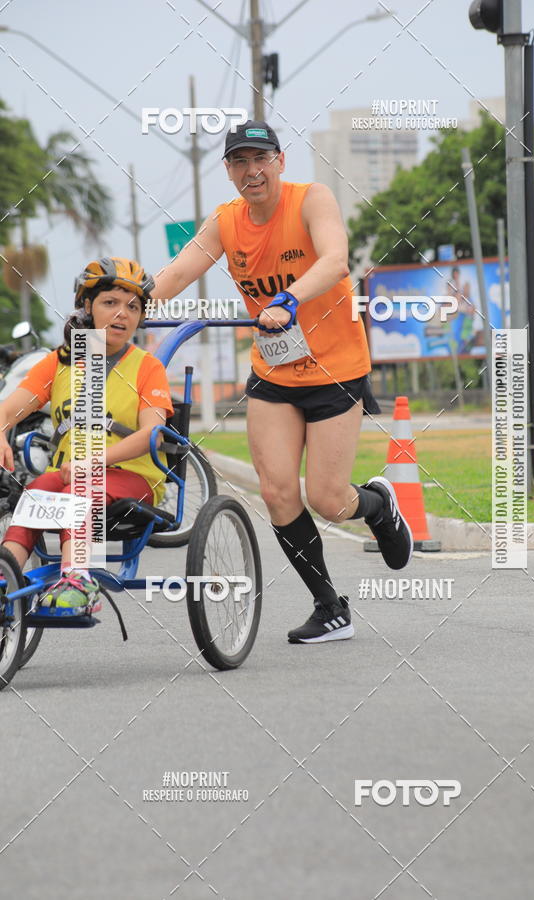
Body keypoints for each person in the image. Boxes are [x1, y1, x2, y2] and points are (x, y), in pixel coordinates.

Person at [152, 120, 412, 644]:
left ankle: (380, 505)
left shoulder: (311, 200)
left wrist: (288, 299)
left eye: (261, 159)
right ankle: (330, 607)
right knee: (276, 493)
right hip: (274, 371)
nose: (252, 171)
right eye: (240, 162)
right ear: (228, 171)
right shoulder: (226, 222)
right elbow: (177, 274)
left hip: (335, 368)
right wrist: (119, 303)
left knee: (328, 498)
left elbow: (336, 261)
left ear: (280, 161)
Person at [0, 257, 173, 613]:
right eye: (110, 303)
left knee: (80, 487)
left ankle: (79, 579)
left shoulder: (147, 366)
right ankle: (5, 580)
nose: (122, 314)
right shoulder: (61, 362)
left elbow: (152, 435)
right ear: (87, 306)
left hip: (132, 479)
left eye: (133, 307)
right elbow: (8, 408)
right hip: (67, 477)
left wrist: (93, 463)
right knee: (33, 493)